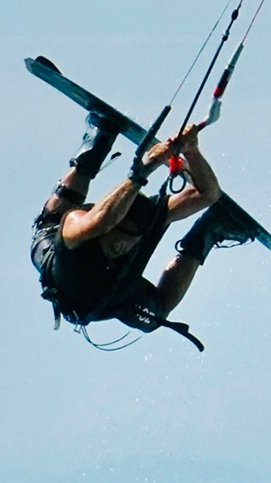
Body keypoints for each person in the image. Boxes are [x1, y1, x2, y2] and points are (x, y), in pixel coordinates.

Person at [30, 114, 252, 348]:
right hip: (70, 275)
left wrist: (191, 151)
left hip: (115, 290)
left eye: (129, 240)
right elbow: (103, 220)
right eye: (118, 239)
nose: (122, 247)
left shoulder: (145, 219)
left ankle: (211, 226)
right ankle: (96, 145)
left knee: (151, 309)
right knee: (156, 316)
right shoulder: (77, 226)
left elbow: (207, 193)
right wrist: (146, 167)